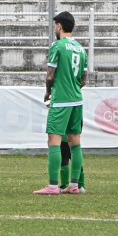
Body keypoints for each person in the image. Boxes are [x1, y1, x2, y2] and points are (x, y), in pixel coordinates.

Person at [34, 11, 88, 195]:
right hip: (77, 100)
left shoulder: (57, 46)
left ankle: (53, 185)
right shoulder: (81, 49)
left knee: (53, 140)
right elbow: (84, 79)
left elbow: (50, 75)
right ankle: (74, 184)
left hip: (62, 100)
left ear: (59, 26)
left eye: (55, 25)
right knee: (75, 142)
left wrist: (49, 91)